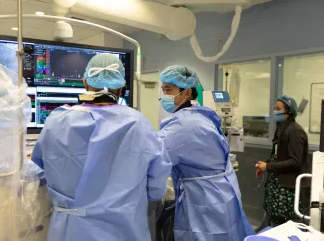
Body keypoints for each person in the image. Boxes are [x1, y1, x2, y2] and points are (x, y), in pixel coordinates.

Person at [32, 53, 172, 241]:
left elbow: (42, 166)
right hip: (123, 229)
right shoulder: (139, 124)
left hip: (69, 230)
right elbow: (156, 186)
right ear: (122, 88)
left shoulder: (56, 121)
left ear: (85, 83)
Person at [157, 65, 254, 240]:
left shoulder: (182, 125)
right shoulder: (201, 115)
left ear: (186, 93)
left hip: (204, 200)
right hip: (221, 193)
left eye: (169, 89)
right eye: (163, 89)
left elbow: (154, 161)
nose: (164, 94)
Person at [255, 95, 309, 226]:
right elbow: (278, 156)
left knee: (286, 224)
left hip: (287, 189)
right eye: (274, 108)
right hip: (276, 186)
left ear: (288, 112)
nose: (275, 111)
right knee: (273, 219)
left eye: (278, 108)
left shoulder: (295, 132)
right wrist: (265, 164)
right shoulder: (281, 130)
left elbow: (295, 162)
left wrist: (268, 167)